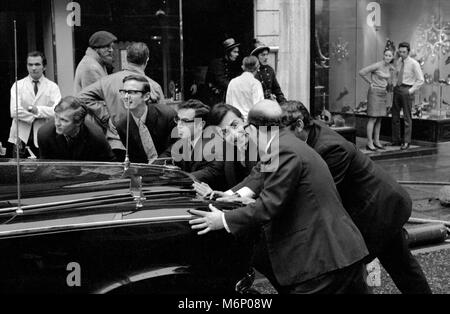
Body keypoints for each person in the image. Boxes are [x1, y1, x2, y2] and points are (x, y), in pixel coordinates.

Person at [189, 100, 370, 294]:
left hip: (324, 257)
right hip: (339, 252)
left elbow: (269, 204)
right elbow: (258, 177)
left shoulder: (281, 150)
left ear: (252, 127)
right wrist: (226, 195)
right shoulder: (282, 143)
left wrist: (223, 219)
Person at [276, 100, 432, 294]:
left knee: (380, 266)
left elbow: (319, 195)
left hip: (379, 209)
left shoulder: (330, 148)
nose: (280, 140)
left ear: (299, 125)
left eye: (283, 133)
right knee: (397, 265)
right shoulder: (309, 132)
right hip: (364, 208)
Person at [77, 42, 165, 161]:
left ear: (126, 58)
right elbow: (162, 118)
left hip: (115, 144)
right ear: (147, 60)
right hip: (143, 147)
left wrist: (107, 117)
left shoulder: (106, 81)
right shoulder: (153, 86)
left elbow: (81, 97)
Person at [8, 51, 62, 158]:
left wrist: (37, 110)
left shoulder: (52, 87)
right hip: (21, 137)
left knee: (43, 170)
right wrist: (35, 116)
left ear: (44, 67)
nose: (33, 68)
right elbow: (14, 111)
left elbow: (58, 111)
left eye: (37, 64)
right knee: (20, 171)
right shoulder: (18, 85)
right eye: (30, 64)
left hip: (44, 135)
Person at [116, 75, 176, 164]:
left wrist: (157, 164)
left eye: (132, 92)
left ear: (146, 96)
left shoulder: (167, 115)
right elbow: (134, 157)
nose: (126, 96)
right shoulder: (122, 124)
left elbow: (178, 145)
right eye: (123, 92)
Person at [38, 96, 115, 162]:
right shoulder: (44, 134)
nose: (57, 123)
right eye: (56, 117)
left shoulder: (95, 135)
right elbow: (44, 167)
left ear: (78, 122)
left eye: (64, 120)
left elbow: (110, 165)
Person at [172, 99, 223, 188]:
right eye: (178, 119)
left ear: (200, 124)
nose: (179, 125)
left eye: (185, 121)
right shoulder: (182, 141)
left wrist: (176, 179)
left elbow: (210, 172)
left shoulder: (215, 144)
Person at [359, 48, 396, 151]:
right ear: (383, 56)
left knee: (379, 118)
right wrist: (370, 82)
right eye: (386, 55)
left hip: (383, 92)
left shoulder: (390, 67)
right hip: (374, 92)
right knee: (373, 118)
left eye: (390, 55)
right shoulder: (377, 65)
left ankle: (377, 141)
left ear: (392, 57)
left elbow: (391, 78)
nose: (388, 57)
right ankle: (369, 143)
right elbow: (361, 72)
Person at [392, 42, 424, 150]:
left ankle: (406, 141)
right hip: (397, 89)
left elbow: (421, 80)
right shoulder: (398, 61)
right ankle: (396, 140)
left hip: (407, 89)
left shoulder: (414, 63)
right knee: (395, 116)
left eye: (404, 52)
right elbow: (396, 74)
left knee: (407, 117)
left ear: (408, 52)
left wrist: (410, 91)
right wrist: (394, 85)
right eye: (400, 52)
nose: (401, 54)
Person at [204, 38, 242, 106]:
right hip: (214, 100)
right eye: (234, 52)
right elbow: (221, 80)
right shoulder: (217, 63)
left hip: (223, 98)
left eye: (237, 52)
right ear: (227, 52)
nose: (237, 54)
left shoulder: (231, 63)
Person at [225, 56, 264, 120]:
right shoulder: (256, 83)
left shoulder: (233, 82)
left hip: (234, 122)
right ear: (258, 67)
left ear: (243, 67)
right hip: (249, 123)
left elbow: (228, 104)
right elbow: (258, 107)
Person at [250, 39, 286, 104]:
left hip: (269, 104)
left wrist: (285, 104)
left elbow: (277, 90)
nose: (266, 57)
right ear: (255, 57)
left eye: (267, 54)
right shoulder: (251, 72)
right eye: (263, 55)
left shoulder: (270, 70)